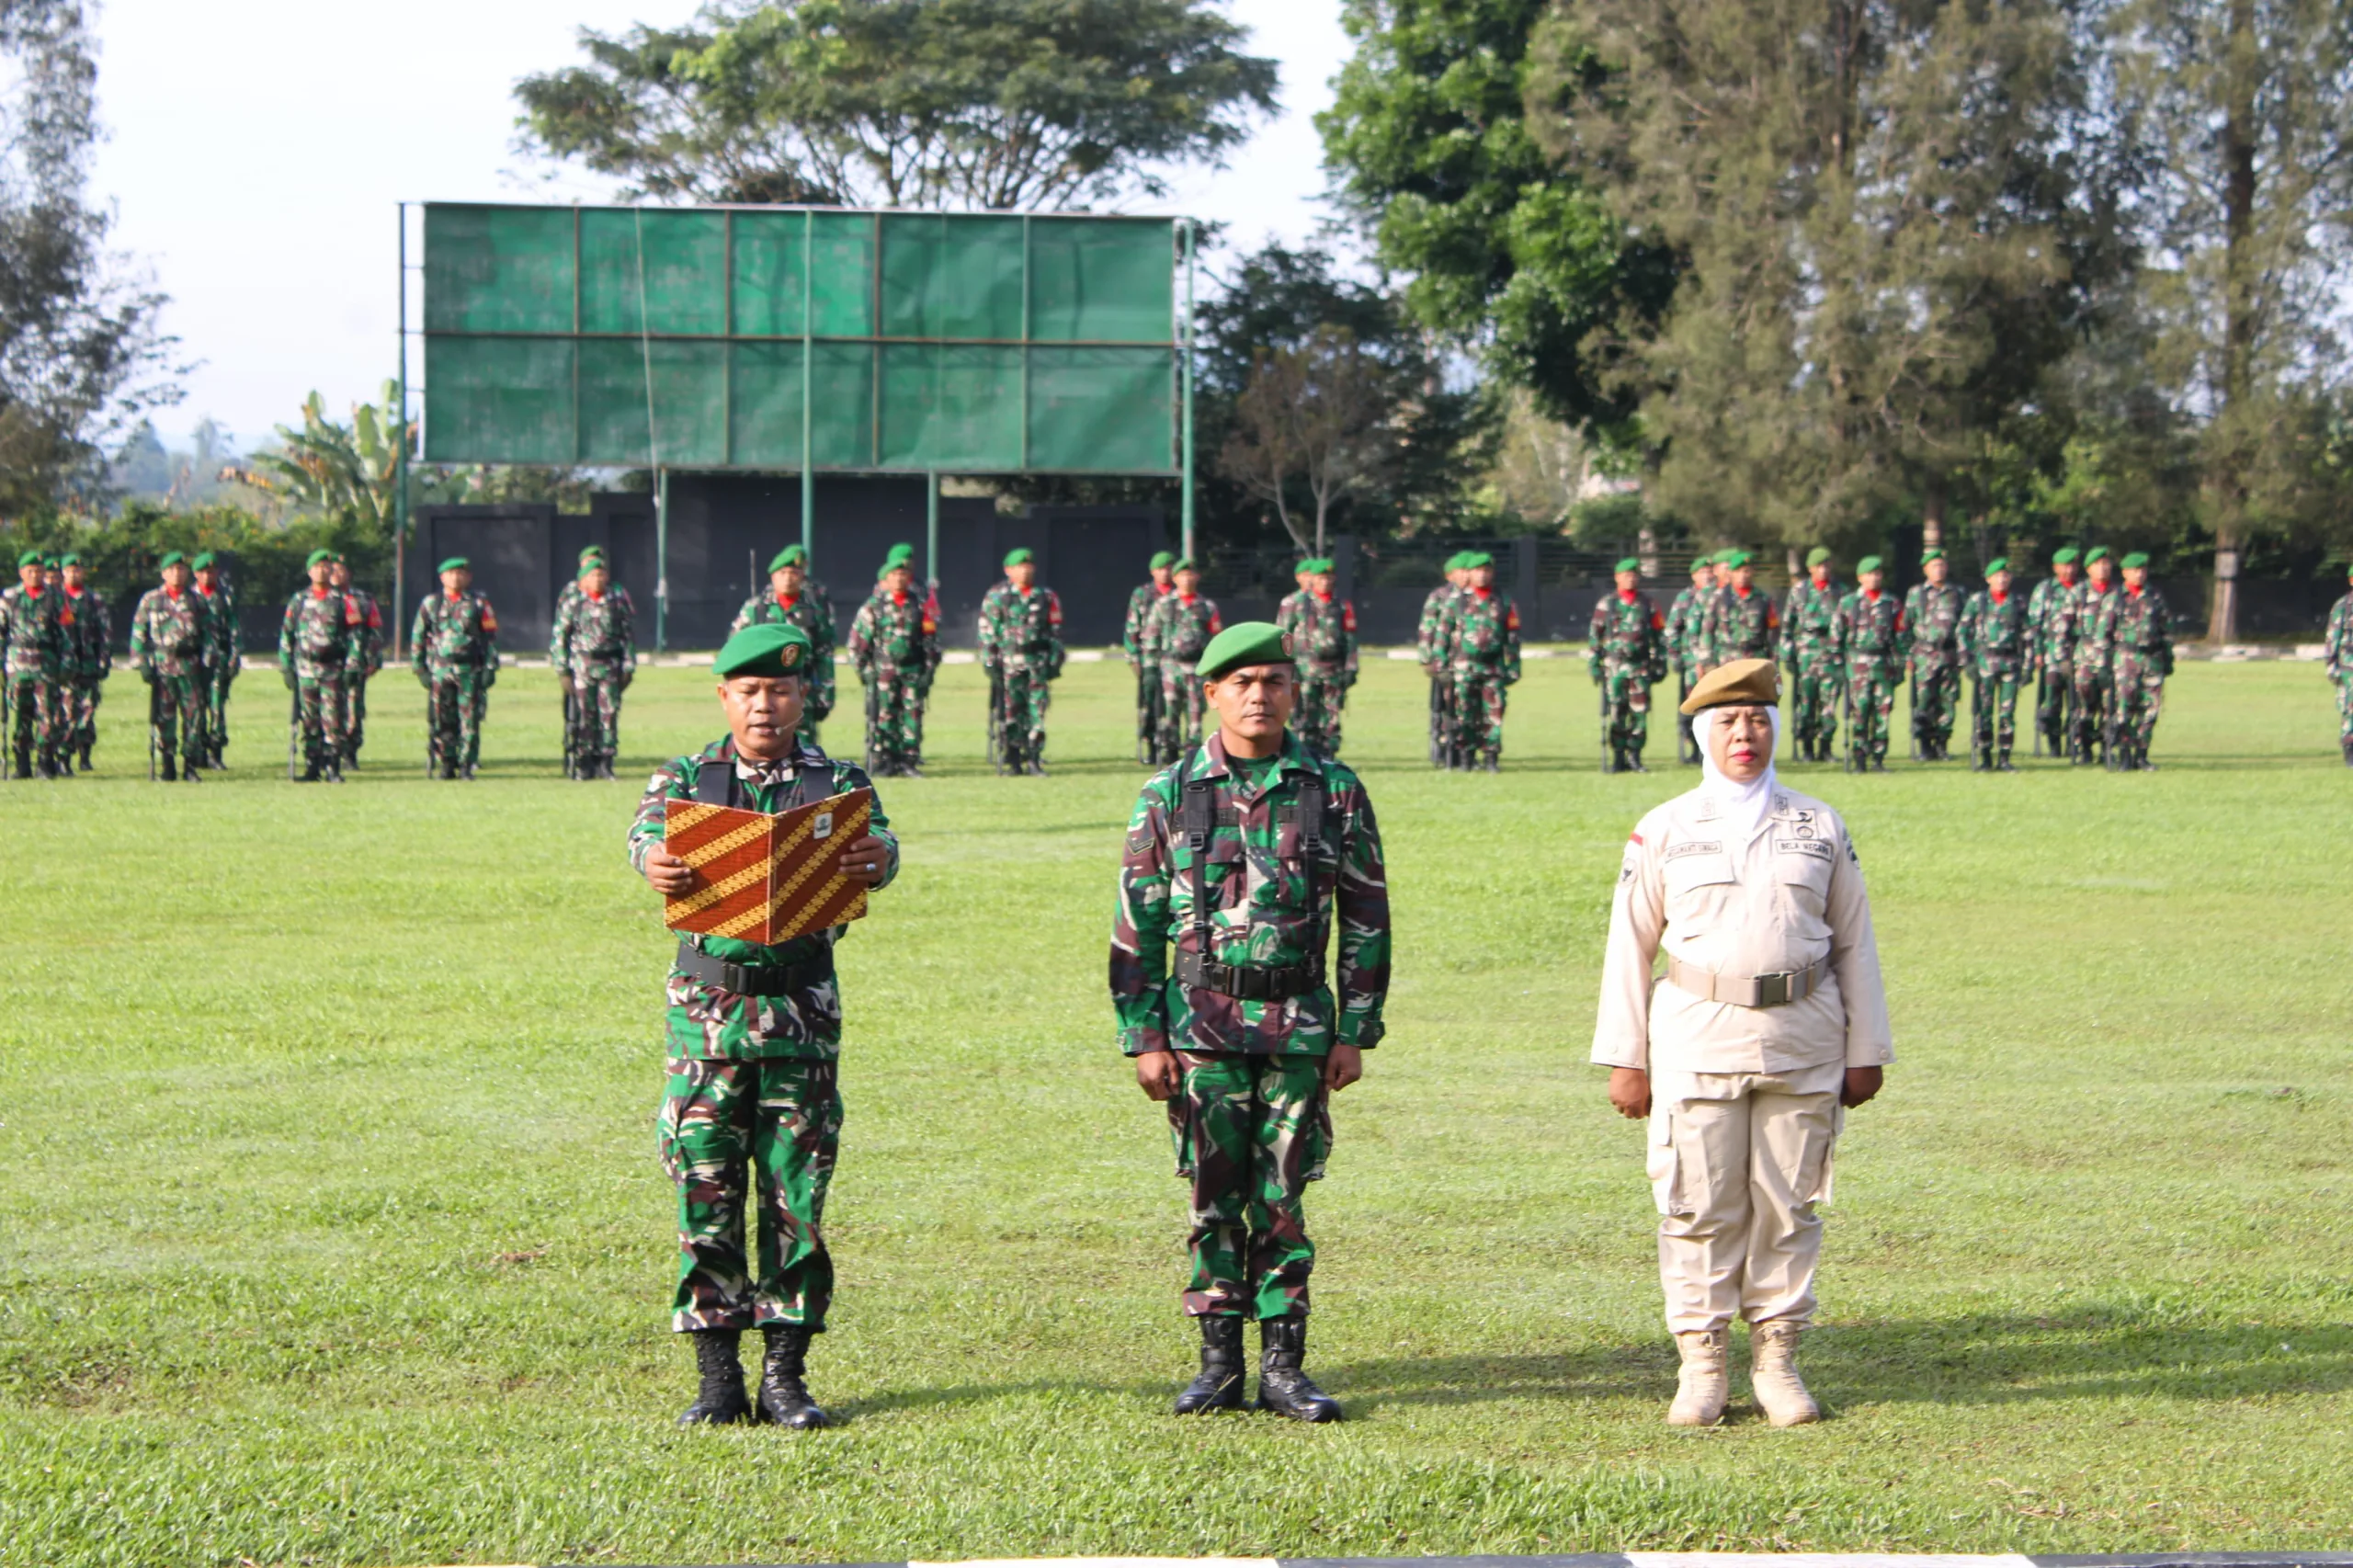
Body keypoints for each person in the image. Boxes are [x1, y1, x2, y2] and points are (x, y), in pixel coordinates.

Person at [1591, 657, 1893, 1427]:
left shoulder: (1818, 823)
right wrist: (1627, 1057)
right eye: (1726, 721)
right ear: (1701, 734)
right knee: (1697, 1205)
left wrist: (1868, 1048)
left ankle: (1779, 1362)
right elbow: (1630, 945)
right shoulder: (1665, 827)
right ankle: (1702, 1366)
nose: (1744, 734)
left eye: (1757, 719)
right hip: (1697, 1038)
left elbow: (1855, 941)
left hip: (1805, 1038)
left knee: (1790, 1205)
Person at [1110, 620, 1389, 1424]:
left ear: (1294, 691)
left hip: (1299, 1027)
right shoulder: (1169, 796)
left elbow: (1367, 914)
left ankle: (1284, 1367)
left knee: (1283, 1198)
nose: (1258, 696)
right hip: (1201, 1029)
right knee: (1210, 1195)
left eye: (1272, 681)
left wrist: (1354, 1029)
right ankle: (1217, 1364)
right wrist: (1144, 1034)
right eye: (1241, 683)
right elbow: (1138, 927)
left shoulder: (1333, 791)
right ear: (1211, 695)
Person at [629, 622, 898, 1430]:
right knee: (706, 1188)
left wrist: (878, 859)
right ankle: (717, 1379)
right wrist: (653, 861)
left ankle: (785, 1376)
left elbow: (881, 842)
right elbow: (642, 835)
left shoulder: (838, 781)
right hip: (708, 1025)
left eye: (779, 691)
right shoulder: (688, 777)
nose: (764, 706)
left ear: (802, 697)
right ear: (725, 698)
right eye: (748, 691)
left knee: (795, 1196)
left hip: (801, 1017)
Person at [731, 545, 837, 747]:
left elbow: (824, 653)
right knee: (763, 741)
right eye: (783, 573)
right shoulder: (756, 608)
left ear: (802, 576)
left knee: (804, 747)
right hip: (762, 689)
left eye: (794, 573)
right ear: (773, 577)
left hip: (801, 686)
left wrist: (826, 692)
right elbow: (737, 649)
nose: (788, 578)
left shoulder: (814, 611)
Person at [845, 550, 938, 778]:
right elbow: (857, 646)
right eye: (894, 574)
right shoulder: (873, 607)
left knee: (912, 717)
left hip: (912, 672)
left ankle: (908, 760)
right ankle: (883, 760)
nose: (899, 578)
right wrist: (865, 672)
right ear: (885, 579)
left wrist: (929, 669)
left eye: (903, 574)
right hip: (883, 674)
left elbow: (931, 641)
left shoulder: (919, 606)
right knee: (883, 717)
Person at [410, 555, 500, 781]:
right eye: (451, 573)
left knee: (469, 720)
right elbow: (418, 637)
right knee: (443, 719)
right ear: (442, 577)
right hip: (441, 670)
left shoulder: (479, 604)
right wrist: (420, 669)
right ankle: (446, 763)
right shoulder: (431, 603)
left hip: (469, 669)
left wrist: (490, 668)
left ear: (468, 577)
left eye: (461, 573)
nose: (456, 577)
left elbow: (490, 638)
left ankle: (467, 764)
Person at [977, 548, 1064, 776]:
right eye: (1019, 567)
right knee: (1011, 712)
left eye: (1028, 566)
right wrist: (990, 662)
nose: (1024, 570)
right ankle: (1013, 758)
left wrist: (1055, 660)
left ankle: (1034, 757)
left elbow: (1055, 631)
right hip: (1008, 664)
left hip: (1037, 662)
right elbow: (987, 632)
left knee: (1037, 711)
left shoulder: (1046, 596)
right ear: (1008, 570)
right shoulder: (997, 596)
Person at [552, 546, 637, 780]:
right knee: (584, 715)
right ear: (583, 579)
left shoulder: (616, 601)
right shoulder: (574, 602)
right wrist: (563, 671)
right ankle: (583, 763)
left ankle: (606, 762)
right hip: (582, 667)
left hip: (609, 666)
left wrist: (628, 667)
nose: (597, 579)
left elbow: (628, 636)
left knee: (609, 715)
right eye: (592, 574)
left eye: (601, 574)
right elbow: (560, 637)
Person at [130, 551, 213, 782]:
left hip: (190, 668)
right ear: (164, 573)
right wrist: (142, 664)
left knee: (193, 718)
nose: (177, 574)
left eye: (181, 569)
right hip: (162, 669)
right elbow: (138, 634)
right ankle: (168, 766)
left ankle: (190, 765)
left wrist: (208, 665)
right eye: (172, 570)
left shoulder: (196, 601)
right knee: (164, 719)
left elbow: (209, 636)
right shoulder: (151, 600)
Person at [1589, 558, 1668, 773]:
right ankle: (1618, 756)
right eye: (1626, 575)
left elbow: (1659, 636)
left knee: (1640, 713)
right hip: (1614, 668)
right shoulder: (1608, 604)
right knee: (1617, 711)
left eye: (1633, 575)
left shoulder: (1648, 604)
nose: (1630, 579)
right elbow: (1595, 636)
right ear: (1617, 578)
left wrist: (1660, 663)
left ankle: (1635, 756)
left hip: (1640, 667)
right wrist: (1594, 664)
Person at [1444, 551, 1520, 770]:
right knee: (1465, 713)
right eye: (1478, 571)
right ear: (1470, 574)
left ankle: (1491, 757)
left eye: (1487, 571)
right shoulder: (1458, 602)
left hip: (1493, 666)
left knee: (1494, 714)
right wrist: (1440, 664)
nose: (1483, 575)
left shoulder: (1504, 602)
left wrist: (1514, 666)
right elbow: (1443, 633)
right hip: (1464, 666)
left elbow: (1513, 638)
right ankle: (1467, 756)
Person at [1277, 557, 1359, 759]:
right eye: (1321, 577)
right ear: (1312, 579)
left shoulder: (1342, 606)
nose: (1325, 581)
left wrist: (1351, 668)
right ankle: (1303, 756)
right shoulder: (1295, 604)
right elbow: (1283, 636)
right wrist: (1285, 668)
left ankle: (1328, 756)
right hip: (1305, 670)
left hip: (1334, 670)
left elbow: (1350, 639)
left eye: (1329, 577)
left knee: (1331, 718)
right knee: (1305, 715)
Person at [2098, 552, 2174, 771]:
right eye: (2134, 570)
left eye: (2142, 570)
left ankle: (2142, 754)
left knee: (2151, 709)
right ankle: (2124, 754)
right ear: (2124, 573)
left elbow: (2166, 629)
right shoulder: (2115, 598)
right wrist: (2104, 664)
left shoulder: (2154, 597)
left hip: (2152, 659)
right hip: (2126, 659)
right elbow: (2104, 634)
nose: (2139, 574)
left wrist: (2168, 657)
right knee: (2124, 709)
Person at [1832, 557, 1907, 771]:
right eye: (1869, 574)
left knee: (1882, 711)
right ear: (1860, 578)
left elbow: (1900, 637)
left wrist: (1900, 665)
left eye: (1877, 574)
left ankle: (1879, 758)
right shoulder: (1848, 603)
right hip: (1857, 665)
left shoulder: (1892, 604)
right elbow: (1836, 637)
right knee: (1860, 710)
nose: (1873, 578)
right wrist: (1837, 666)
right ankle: (1860, 757)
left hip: (1883, 664)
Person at [1959, 558, 2032, 772]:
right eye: (1997, 576)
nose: (2001, 579)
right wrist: (1967, 661)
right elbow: (1963, 631)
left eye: (2005, 575)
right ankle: (1985, 756)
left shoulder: (2018, 602)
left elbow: (2027, 636)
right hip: (1985, 662)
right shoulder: (1978, 601)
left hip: (2010, 662)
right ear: (1988, 579)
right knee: (1984, 710)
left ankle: (2005, 757)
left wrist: (2028, 666)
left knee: (2007, 712)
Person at [1147, 559, 1222, 763]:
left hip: (1197, 668)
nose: (1187, 579)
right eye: (1182, 575)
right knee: (1170, 708)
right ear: (1175, 578)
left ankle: (1193, 753)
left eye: (1190, 574)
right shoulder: (1163, 605)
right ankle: (1169, 751)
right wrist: (1151, 668)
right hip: (1171, 666)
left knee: (1196, 711)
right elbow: (1152, 636)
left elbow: (1216, 636)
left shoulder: (1206, 606)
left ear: (1197, 577)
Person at [1, 550, 68, 778]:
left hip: (45, 665)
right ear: (21, 573)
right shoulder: (9, 598)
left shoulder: (57, 598)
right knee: (20, 714)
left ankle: (45, 762)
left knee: (47, 714)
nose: (35, 574)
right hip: (17, 667)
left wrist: (66, 664)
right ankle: (22, 764)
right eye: (30, 571)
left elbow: (66, 633)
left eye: (39, 571)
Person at [1904, 550, 1967, 761]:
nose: (1938, 570)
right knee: (1924, 701)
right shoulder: (1916, 594)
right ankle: (1924, 745)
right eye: (1934, 566)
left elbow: (1965, 624)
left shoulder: (1957, 593)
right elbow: (1906, 626)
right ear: (1926, 570)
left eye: (1941, 565)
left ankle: (1942, 744)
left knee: (1947, 701)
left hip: (1949, 654)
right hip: (1924, 655)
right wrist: (1909, 656)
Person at [1780, 549, 1842, 762]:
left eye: (1826, 565)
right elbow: (1788, 624)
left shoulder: (1840, 591)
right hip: (1806, 652)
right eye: (1819, 566)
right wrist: (1787, 653)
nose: (1823, 570)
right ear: (1811, 568)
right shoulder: (1800, 591)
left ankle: (1825, 747)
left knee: (1829, 703)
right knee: (1806, 702)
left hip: (1831, 653)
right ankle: (1806, 747)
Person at [328, 557, 385, 768]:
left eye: (341, 570)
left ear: (349, 573)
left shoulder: (363, 599)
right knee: (328, 708)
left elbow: (375, 630)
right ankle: (329, 751)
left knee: (353, 708)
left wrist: (374, 659)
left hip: (354, 663)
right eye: (332, 570)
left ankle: (350, 752)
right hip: (326, 663)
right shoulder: (317, 598)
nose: (336, 574)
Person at [2026, 547, 2082, 758]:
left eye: (2073, 565)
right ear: (2056, 567)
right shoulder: (2046, 589)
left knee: (2078, 701)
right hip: (2052, 655)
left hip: (2080, 654)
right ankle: (2054, 743)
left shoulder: (2083, 589)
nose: (2069, 569)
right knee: (2051, 702)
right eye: (2065, 565)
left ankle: (2074, 742)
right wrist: (2037, 652)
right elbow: (2035, 624)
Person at [57, 552, 110, 773]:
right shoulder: (56, 599)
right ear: (63, 573)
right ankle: (63, 756)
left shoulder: (94, 600)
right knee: (67, 712)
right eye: (70, 570)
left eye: (78, 570)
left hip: (88, 664)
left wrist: (104, 661)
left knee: (87, 712)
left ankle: (85, 756)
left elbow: (105, 633)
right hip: (64, 667)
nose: (74, 574)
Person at [1124, 551, 1177, 763]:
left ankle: (1170, 745)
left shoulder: (1178, 594)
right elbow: (1131, 628)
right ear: (1153, 572)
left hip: (1174, 658)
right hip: (1149, 659)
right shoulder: (1142, 594)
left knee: (1172, 704)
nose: (1165, 573)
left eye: (1168, 568)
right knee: (1149, 703)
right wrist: (1133, 657)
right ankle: (1151, 742)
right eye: (1161, 569)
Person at [1666, 555, 1719, 766]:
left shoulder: (1718, 596)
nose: (1707, 575)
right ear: (1694, 575)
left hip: (1715, 662)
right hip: (1692, 662)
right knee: (1692, 707)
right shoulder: (1685, 598)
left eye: (1709, 571)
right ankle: (1693, 750)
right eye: (1702, 572)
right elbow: (1673, 629)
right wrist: (1676, 656)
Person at [1418, 554, 1469, 767]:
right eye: (1462, 570)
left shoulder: (1473, 596)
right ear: (1451, 575)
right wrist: (1427, 659)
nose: (1467, 574)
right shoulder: (1440, 596)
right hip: (1444, 661)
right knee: (1442, 707)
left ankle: (1463, 749)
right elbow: (1427, 628)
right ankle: (1441, 747)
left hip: (1465, 662)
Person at [2071, 547, 2119, 765]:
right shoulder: (2079, 593)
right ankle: (2085, 749)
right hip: (2085, 660)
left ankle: (2107, 748)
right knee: (2086, 707)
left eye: (2106, 563)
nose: (2103, 568)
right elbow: (2062, 628)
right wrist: (2062, 658)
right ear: (2088, 568)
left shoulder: (2119, 594)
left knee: (2111, 708)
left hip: (2113, 660)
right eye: (2098, 564)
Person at [190, 552, 239, 768]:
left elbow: (233, 628)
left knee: (217, 707)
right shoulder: (189, 596)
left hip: (218, 660)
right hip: (194, 661)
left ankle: (216, 752)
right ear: (196, 574)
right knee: (196, 707)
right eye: (203, 572)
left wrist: (234, 656)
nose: (208, 575)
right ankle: (198, 751)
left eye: (211, 571)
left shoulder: (225, 596)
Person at [1699, 551, 1778, 675]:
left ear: (1752, 572)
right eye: (1738, 571)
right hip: (1726, 660)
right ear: (1730, 573)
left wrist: (1773, 659)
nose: (1743, 575)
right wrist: (1707, 661)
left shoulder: (1763, 599)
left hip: (1755, 660)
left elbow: (1773, 632)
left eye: (1746, 571)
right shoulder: (1717, 598)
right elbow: (1707, 630)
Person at [2325, 562, 2353, 767]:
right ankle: (2350, 751)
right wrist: (2331, 665)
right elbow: (2332, 638)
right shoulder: (2343, 607)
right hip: (2348, 667)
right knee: (2350, 710)